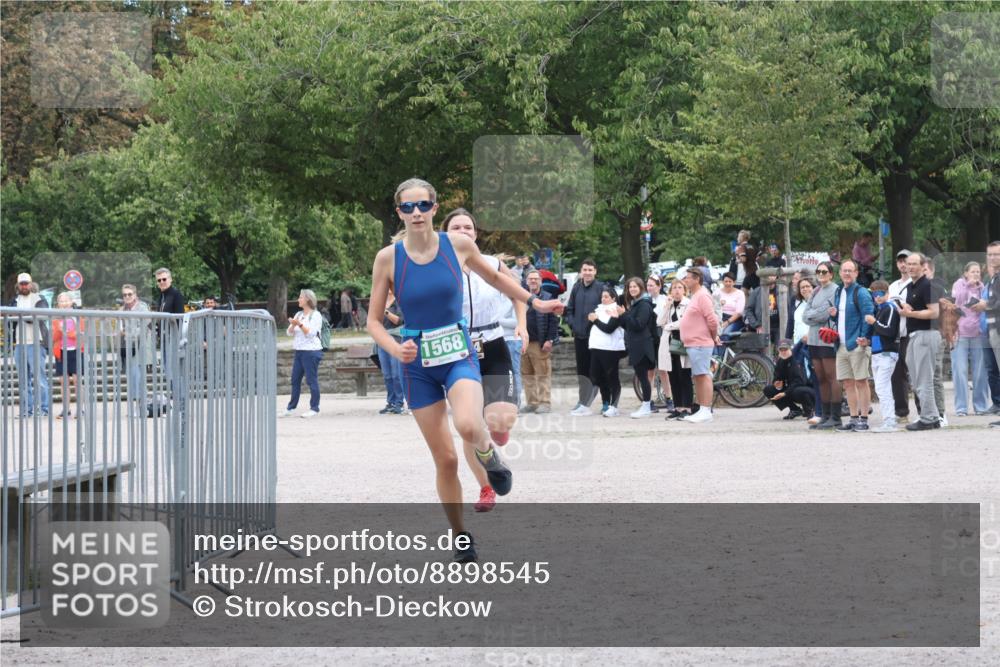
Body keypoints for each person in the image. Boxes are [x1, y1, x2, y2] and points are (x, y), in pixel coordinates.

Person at [366, 178, 563, 563]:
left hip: (458, 351)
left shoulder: (457, 245)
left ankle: (491, 460)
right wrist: (394, 347)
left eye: (423, 205)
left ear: (435, 208)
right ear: (399, 212)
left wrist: (534, 304)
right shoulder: (388, 258)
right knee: (447, 460)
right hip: (417, 363)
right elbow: (374, 320)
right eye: (408, 208)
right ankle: (459, 534)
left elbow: (495, 277)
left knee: (470, 426)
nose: (416, 213)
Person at [441, 208, 528, 513]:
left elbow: (519, 293)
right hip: (457, 349)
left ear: (475, 233)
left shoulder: (492, 264)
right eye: (456, 227)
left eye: (468, 227)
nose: (463, 231)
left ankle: (496, 436)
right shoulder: (436, 267)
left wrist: (522, 324)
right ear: (445, 232)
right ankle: (486, 486)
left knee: (500, 422)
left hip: (492, 344)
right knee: (470, 426)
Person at [829, 259, 875, 432]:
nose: (847, 273)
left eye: (850, 270)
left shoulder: (861, 292)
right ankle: (853, 418)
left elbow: (869, 315)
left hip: (857, 344)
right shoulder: (839, 291)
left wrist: (864, 339)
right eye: (844, 270)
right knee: (848, 383)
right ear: (840, 273)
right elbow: (843, 317)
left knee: (861, 381)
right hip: (841, 344)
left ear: (856, 273)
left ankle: (864, 418)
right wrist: (834, 316)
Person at [899, 252, 941, 430]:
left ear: (924, 266)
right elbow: (919, 308)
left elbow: (934, 312)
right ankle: (931, 416)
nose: (910, 267)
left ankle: (929, 418)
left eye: (914, 264)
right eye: (908, 264)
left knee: (924, 379)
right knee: (916, 380)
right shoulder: (911, 287)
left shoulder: (927, 285)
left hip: (926, 334)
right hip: (914, 335)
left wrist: (911, 313)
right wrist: (908, 308)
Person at [678, 268, 721, 423]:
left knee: (703, 375)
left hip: (700, 342)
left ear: (697, 279)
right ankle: (701, 408)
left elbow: (712, 319)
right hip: (694, 343)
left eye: (688, 277)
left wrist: (712, 335)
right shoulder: (696, 295)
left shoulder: (702, 295)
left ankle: (706, 409)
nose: (685, 280)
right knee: (698, 376)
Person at [803, 262, 842, 430]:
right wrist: (814, 314)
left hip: (827, 337)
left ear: (831, 274)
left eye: (824, 271)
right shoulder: (816, 290)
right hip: (813, 339)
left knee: (831, 376)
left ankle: (836, 416)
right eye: (818, 271)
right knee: (820, 377)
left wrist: (813, 314)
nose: (821, 274)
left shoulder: (835, 290)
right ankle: (824, 415)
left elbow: (825, 313)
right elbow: (805, 315)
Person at [950, 261, 990, 417]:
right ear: (965, 273)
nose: (976, 275)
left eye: (978, 272)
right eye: (973, 272)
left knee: (980, 372)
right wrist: (968, 285)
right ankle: (961, 408)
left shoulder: (983, 288)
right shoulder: (959, 284)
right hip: (959, 333)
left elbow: (986, 306)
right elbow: (956, 302)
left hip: (978, 334)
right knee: (960, 371)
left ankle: (980, 406)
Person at [8, 272, 50, 417]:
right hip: (19, 343)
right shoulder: (14, 300)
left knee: (40, 378)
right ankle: (27, 410)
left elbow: (39, 317)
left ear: (31, 284)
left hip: (36, 342)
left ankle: (44, 409)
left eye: (26, 283)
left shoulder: (40, 298)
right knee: (23, 380)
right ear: (18, 285)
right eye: (22, 283)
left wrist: (19, 315)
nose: (24, 286)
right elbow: (10, 318)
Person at [564, 259, 603, 416]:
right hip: (579, 337)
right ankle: (582, 401)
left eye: (590, 270)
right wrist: (573, 325)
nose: (587, 272)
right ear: (581, 272)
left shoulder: (601, 288)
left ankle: (601, 402)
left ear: (595, 272)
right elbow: (569, 309)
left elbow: (605, 310)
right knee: (582, 371)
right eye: (584, 269)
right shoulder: (576, 287)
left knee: (596, 371)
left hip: (595, 337)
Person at [280, 289, 324, 418]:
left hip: (311, 352)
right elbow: (289, 333)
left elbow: (310, 334)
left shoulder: (316, 315)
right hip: (299, 351)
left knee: (311, 380)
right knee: (295, 380)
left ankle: (314, 408)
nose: (298, 300)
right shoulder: (298, 314)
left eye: (300, 297)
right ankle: (291, 407)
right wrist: (293, 325)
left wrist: (299, 324)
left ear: (308, 300)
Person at [617, 277, 657, 418]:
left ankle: (646, 405)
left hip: (643, 345)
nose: (632, 289)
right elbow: (629, 326)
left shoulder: (644, 305)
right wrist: (620, 317)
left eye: (635, 286)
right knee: (641, 376)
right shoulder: (635, 304)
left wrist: (625, 315)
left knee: (643, 377)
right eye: (630, 287)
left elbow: (639, 324)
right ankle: (646, 404)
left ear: (641, 288)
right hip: (635, 345)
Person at [521, 270, 560, 414]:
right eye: (530, 279)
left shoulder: (548, 298)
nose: (533, 281)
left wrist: (550, 340)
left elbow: (554, 322)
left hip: (540, 343)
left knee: (542, 374)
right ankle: (532, 403)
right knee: (527, 375)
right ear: (526, 281)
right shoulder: (521, 298)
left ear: (540, 282)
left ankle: (544, 403)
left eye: (535, 279)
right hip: (524, 343)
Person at [865, 280, 901, 432]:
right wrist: (867, 342)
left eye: (880, 294)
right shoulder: (879, 309)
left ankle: (890, 420)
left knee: (882, 387)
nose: (877, 297)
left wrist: (874, 322)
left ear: (887, 294)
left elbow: (889, 331)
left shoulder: (890, 308)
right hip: (878, 353)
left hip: (887, 353)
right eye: (874, 294)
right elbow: (879, 334)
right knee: (882, 387)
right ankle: (889, 419)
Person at [587, 285, 626, 417]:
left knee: (612, 377)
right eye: (602, 296)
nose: (603, 299)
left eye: (606, 297)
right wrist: (592, 320)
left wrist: (595, 320)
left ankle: (614, 406)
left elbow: (609, 328)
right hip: (596, 347)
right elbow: (591, 326)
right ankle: (605, 402)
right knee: (596, 376)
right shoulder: (599, 309)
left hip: (610, 349)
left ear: (613, 298)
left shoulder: (616, 310)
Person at [660, 280, 694, 420]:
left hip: (682, 343)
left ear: (684, 290)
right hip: (669, 345)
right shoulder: (669, 305)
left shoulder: (688, 304)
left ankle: (687, 407)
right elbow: (659, 322)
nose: (676, 291)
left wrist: (668, 326)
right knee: (673, 376)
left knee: (684, 376)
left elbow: (685, 322)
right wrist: (666, 307)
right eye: (674, 288)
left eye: (680, 288)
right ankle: (678, 406)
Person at [975, 240, 1000, 426]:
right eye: (990, 254)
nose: (992, 258)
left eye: (996, 254)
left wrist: (986, 305)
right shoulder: (993, 278)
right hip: (991, 328)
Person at [922, 255, 949, 425]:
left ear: (931, 271)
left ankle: (941, 413)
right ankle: (927, 412)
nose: (922, 272)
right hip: (921, 334)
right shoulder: (916, 287)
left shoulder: (937, 287)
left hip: (937, 334)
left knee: (935, 375)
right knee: (923, 377)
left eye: (925, 270)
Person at [888, 249, 913, 420]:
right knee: (897, 375)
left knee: (916, 372)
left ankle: (925, 411)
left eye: (906, 261)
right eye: (900, 261)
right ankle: (901, 411)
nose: (903, 264)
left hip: (912, 332)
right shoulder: (893, 285)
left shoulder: (916, 283)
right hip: (896, 334)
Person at [118, 284, 150, 416]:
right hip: (127, 347)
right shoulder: (122, 309)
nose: (127, 297)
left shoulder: (142, 307)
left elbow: (145, 324)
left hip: (141, 346)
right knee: (131, 376)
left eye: (129, 294)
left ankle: (142, 406)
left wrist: (126, 333)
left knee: (138, 376)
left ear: (135, 295)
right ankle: (135, 406)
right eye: (124, 295)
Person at [52, 292, 84, 419]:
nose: (64, 303)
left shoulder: (78, 317)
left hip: (75, 351)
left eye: (66, 301)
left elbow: (80, 334)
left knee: (77, 381)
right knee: (63, 382)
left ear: (71, 302)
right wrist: (60, 331)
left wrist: (66, 332)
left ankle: (80, 409)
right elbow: (55, 337)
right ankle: (66, 409)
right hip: (61, 351)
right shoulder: (56, 318)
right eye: (61, 301)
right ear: (58, 304)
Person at [764, 339, 814, 419]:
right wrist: (777, 384)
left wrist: (785, 393)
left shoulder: (797, 359)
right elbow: (777, 377)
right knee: (768, 389)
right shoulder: (780, 361)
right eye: (781, 350)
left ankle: (811, 410)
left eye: (786, 349)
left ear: (790, 349)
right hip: (790, 389)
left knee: (798, 390)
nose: (783, 352)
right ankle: (794, 409)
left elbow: (800, 381)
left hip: (807, 389)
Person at [645, 274, 673, 410]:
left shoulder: (664, 300)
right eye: (648, 285)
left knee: (663, 370)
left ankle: (669, 398)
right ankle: (648, 400)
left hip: (661, 336)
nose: (649, 287)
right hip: (648, 337)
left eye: (652, 285)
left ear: (659, 286)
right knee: (650, 371)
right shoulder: (644, 300)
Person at [378, 289, 406, 415]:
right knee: (387, 374)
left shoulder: (399, 302)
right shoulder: (380, 301)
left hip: (396, 339)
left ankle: (399, 402)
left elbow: (398, 321)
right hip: (382, 339)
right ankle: (391, 402)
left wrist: (385, 311)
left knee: (396, 374)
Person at [499, 300, 524, 409]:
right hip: (498, 339)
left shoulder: (515, 299)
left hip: (512, 340)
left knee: (514, 372)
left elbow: (516, 322)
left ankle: (516, 403)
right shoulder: (496, 297)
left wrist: (497, 321)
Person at [717, 273, 746, 342]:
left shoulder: (740, 293)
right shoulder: (717, 292)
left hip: (734, 320)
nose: (728, 283)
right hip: (719, 318)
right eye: (726, 281)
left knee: (724, 334)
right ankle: (715, 353)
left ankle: (721, 353)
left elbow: (739, 312)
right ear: (722, 282)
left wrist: (727, 322)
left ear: (734, 282)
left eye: (730, 281)